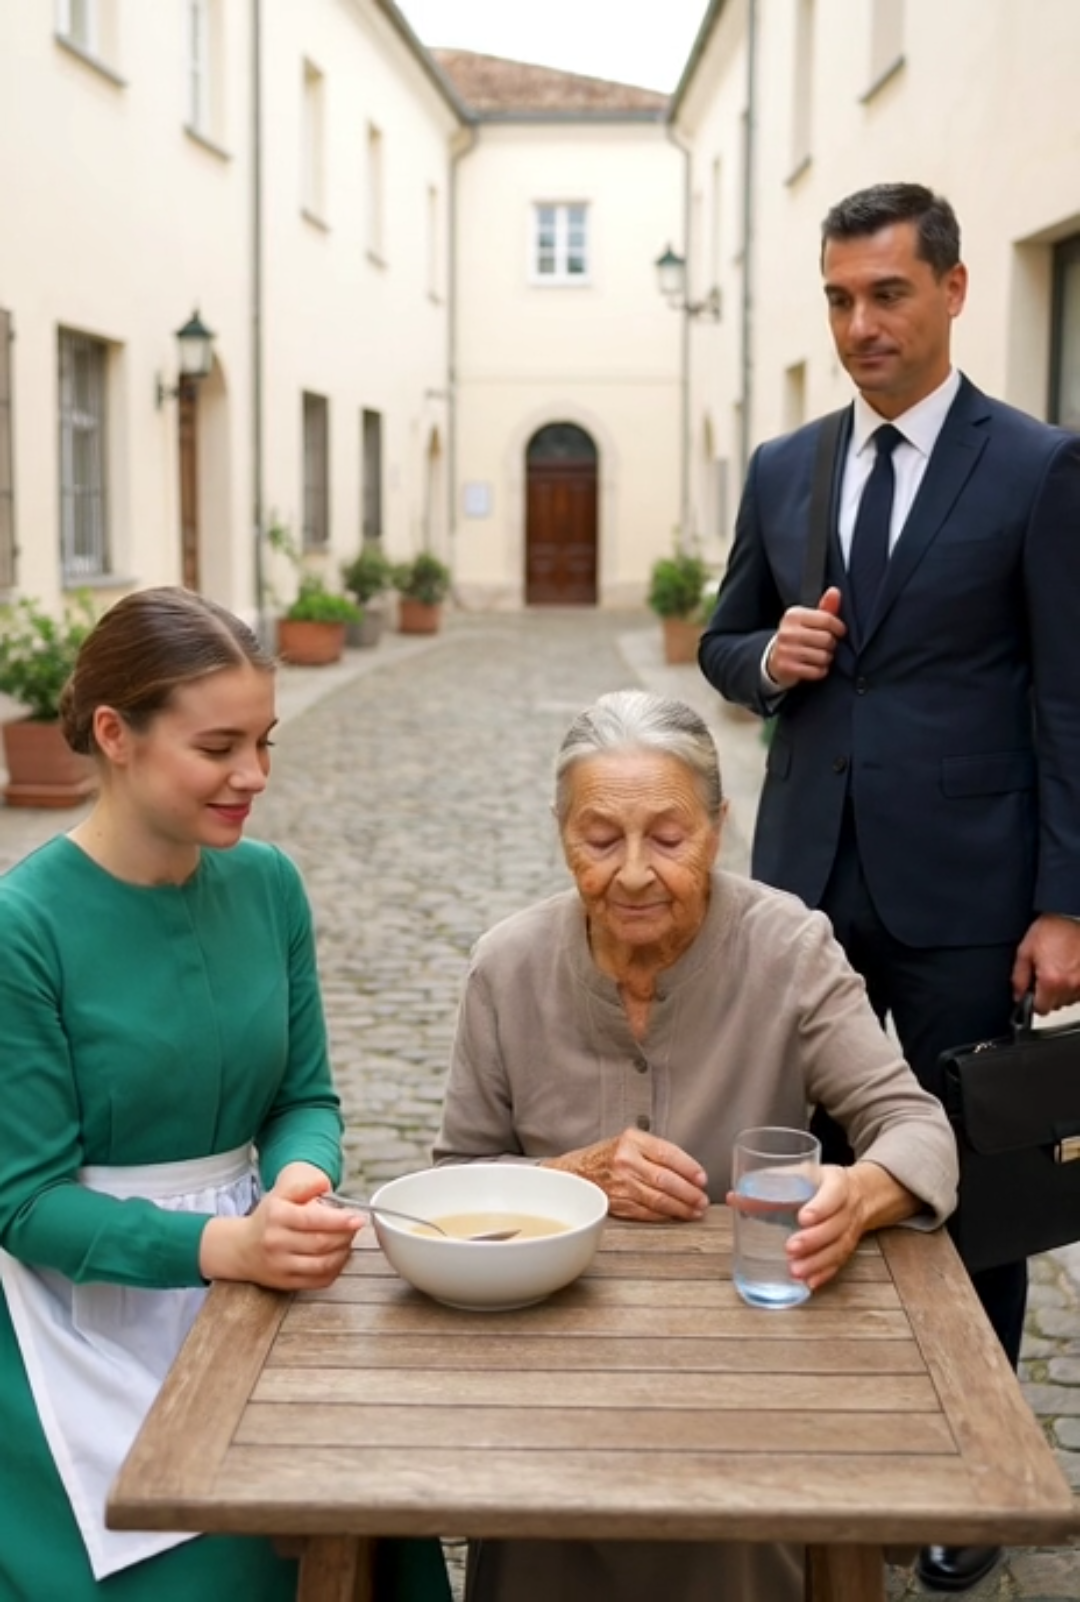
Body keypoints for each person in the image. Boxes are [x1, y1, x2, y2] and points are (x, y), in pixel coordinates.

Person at [697, 180, 1080, 1592]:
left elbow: (1069, 699)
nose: (861, 324)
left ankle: (967, 1475)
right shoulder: (785, 466)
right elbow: (723, 637)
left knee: (966, 1183)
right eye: (841, 299)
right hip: (800, 886)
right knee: (786, 1163)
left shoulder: (1038, 466)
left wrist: (1065, 902)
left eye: (888, 294)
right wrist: (766, 659)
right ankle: (812, 1436)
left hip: (969, 896)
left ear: (954, 291)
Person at [434, 688, 958, 1602]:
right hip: (554, 1354)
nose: (635, 873)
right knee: (539, 1534)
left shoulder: (789, 947)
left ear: (718, 828)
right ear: (561, 833)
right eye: (601, 839)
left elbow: (917, 1128)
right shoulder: (507, 965)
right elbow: (454, 1181)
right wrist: (574, 1177)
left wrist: (858, 1196)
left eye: (669, 838)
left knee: (733, 1534)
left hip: (749, 1360)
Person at [0, 587, 450, 1602]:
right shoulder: (22, 927)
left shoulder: (269, 884)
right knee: (221, 1572)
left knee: (374, 1514)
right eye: (219, 747)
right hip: (81, 1312)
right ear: (114, 734)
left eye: (265, 741)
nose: (254, 775)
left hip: (259, 1276)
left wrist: (295, 1182)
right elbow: (24, 1204)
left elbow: (305, 1099)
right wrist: (223, 1247)